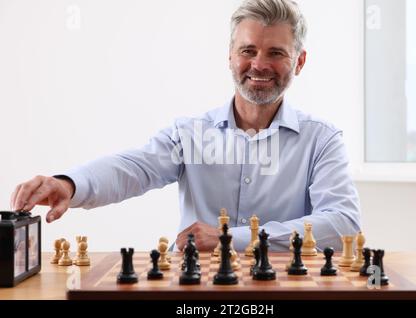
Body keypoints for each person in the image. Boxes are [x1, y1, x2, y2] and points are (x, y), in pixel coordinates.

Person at [10, 0, 360, 252]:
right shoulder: (190, 133)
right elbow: (135, 168)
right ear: (230, 56)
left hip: (283, 290)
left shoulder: (322, 140)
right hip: (195, 292)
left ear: (299, 61)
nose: (259, 65)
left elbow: (343, 222)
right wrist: (70, 184)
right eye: (248, 50)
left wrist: (231, 239)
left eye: (276, 53)